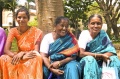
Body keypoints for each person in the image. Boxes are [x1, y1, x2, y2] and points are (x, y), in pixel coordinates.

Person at [0, 7, 43, 79]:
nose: (21, 20)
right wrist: (16, 56)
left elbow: (36, 51)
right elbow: (6, 50)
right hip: (18, 55)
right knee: (3, 58)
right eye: (19, 17)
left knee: (37, 57)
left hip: (30, 55)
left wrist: (23, 53)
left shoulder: (36, 31)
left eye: (24, 17)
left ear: (28, 19)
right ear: (16, 18)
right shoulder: (13, 31)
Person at [78, 14, 120, 79]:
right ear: (88, 25)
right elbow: (81, 53)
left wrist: (105, 56)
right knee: (90, 60)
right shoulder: (85, 34)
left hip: (102, 60)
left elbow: (111, 51)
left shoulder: (103, 34)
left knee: (114, 59)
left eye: (98, 23)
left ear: (101, 25)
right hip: (87, 61)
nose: (96, 26)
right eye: (93, 23)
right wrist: (100, 56)